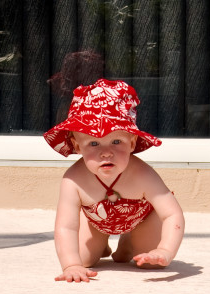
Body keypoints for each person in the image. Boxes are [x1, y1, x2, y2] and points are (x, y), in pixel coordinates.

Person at [44, 78, 185, 283]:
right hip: (97, 222)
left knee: (147, 260)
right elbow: (66, 227)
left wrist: (165, 250)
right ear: (77, 146)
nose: (106, 153)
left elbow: (172, 214)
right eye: (93, 143)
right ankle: (100, 243)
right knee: (82, 260)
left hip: (142, 219)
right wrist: (70, 264)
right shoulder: (73, 181)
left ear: (132, 142)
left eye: (116, 141)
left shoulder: (142, 174)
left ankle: (128, 243)